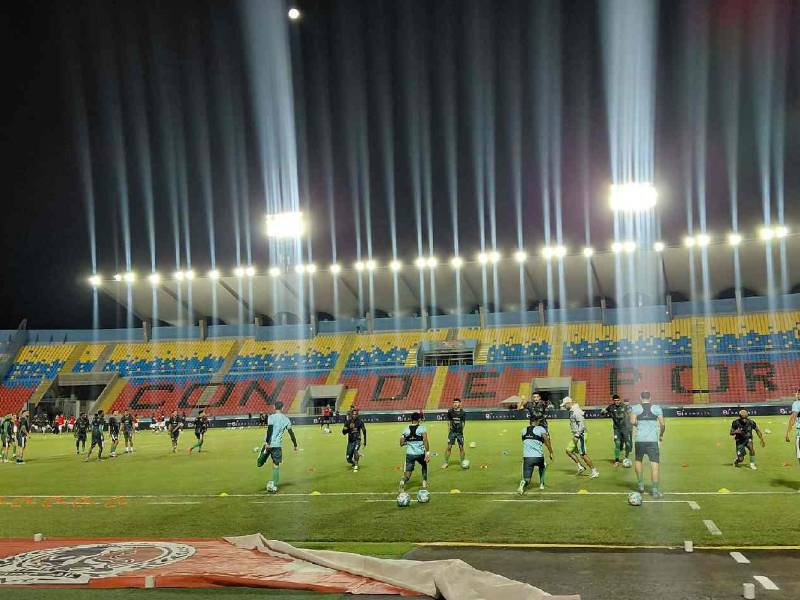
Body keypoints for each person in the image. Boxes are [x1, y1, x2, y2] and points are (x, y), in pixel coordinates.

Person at [630, 390, 666, 497]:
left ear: (640, 398)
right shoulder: (656, 408)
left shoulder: (635, 408)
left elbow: (632, 422)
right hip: (652, 440)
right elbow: (662, 425)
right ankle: (654, 491)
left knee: (638, 460)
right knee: (654, 465)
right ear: (650, 398)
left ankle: (641, 485)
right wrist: (661, 435)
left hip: (639, 440)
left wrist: (640, 424)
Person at [262, 401, 298, 493]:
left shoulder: (271, 417)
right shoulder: (286, 419)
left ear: (274, 407)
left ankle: (272, 483)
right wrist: (295, 445)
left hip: (269, 444)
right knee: (276, 465)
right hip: (277, 445)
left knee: (260, 461)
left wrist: (267, 443)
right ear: (283, 408)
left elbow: (269, 431)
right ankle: (274, 485)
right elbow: (291, 433)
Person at [560, 397, 599, 478]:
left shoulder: (576, 412)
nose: (564, 407)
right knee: (568, 450)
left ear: (569, 403)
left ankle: (594, 471)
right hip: (576, 435)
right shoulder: (572, 411)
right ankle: (580, 467)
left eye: (564, 405)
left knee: (583, 454)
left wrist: (577, 435)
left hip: (580, 435)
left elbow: (582, 425)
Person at [517, 414, 554, 494]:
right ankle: (541, 484)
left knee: (527, 479)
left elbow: (524, 440)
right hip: (538, 457)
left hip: (527, 458)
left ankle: (523, 484)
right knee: (543, 466)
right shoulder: (541, 429)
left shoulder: (523, 430)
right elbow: (547, 441)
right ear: (536, 421)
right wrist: (551, 452)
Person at [399, 412, 430, 491]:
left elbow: (401, 443)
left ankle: (403, 481)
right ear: (419, 419)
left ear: (411, 419)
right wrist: (427, 452)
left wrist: (409, 442)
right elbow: (425, 440)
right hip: (420, 453)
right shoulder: (422, 428)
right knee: (424, 466)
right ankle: (424, 482)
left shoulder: (406, 429)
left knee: (407, 474)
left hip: (410, 454)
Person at [601, 394, 631, 466]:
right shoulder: (610, 407)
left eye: (618, 400)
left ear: (620, 400)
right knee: (617, 443)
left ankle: (626, 457)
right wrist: (602, 412)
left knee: (628, 444)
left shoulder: (624, 406)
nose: (617, 401)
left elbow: (631, 412)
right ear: (613, 401)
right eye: (615, 400)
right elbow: (603, 413)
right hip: (616, 429)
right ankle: (617, 460)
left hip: (625, 428)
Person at [442, 398, 467, 469]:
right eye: (454, 403)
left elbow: (463, 423)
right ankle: (446, 462)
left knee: (461, 447)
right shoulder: (450, 411)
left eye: (457, 402)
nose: (455, 404)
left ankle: (462, 462)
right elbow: (449, 421)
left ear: (460, 403)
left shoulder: (463, 413)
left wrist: (461, 431)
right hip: (452, 432)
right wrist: (449, 430)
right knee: (449, 447)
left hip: (459, 433)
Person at [342, 407, 367, 471]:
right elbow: (343, 433)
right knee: (348, 459)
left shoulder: (360, 421)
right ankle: (354, 461)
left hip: (357, 440)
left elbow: (364, 431)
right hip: (350, 441)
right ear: (351, 414)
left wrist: (365, 441)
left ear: (357, 415)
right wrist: (348, 429)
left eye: (356, 414)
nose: (355, 415)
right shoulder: (348, 422)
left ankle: (356, 464)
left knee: (355, 450)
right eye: (353, 414)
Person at [784, 387, 800, 466]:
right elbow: (792, 416)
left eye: (797, 393)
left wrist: (787, 433)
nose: (796, 394)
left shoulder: (796, 404)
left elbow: (793, 419)